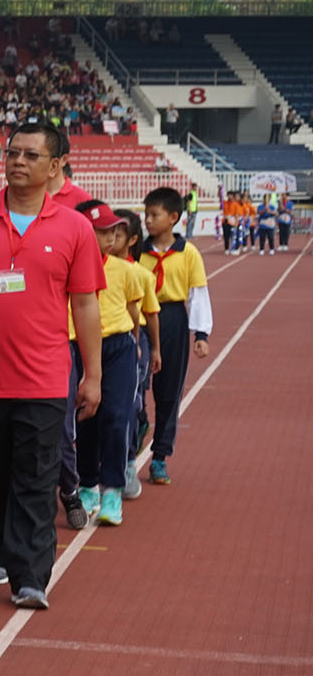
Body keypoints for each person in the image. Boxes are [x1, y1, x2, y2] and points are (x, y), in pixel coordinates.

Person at [0, 122, 103, 610]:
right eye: (12, 153)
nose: (17, 161)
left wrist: (92, 375)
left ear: (54, 166)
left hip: (45, 378)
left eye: (31, 155)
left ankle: (30, 576)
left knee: (36, 477)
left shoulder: (75, 226)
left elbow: (87, 305)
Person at [70, 201, 154, 527]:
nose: (110, 237)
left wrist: (138, 347)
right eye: (102, 231)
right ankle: (88, 484)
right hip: (79, 347)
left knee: (118, 416)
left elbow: (135, 312)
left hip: (118, 347)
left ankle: (113, 492)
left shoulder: (125, 270)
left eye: (114, 230)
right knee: (86, 419)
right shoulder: (67, 268)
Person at [137, 188, 213, 486]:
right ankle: (135, 436)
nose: (148, 221)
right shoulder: (137, 251)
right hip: (140, 321)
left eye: (154, 215)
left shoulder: (188, 253)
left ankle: (159, 457)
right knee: (134, 390)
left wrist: (201, 334)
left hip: (172, 319)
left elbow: (198, 294)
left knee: (169, 391)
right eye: (146, 215)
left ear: (173, 218)